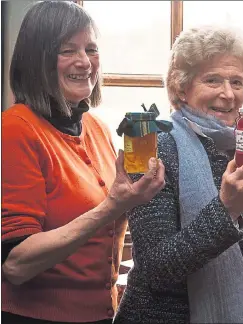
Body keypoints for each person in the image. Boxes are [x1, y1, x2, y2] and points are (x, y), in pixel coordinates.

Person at [1, 2, 165, 323]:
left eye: (91, 49)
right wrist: (113, 206)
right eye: (67, 50)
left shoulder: (98, 128)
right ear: (38, 62)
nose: (84, 62)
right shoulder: (15, 130)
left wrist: (144, 193)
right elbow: (15, 265)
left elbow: (112, 217)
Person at [114, 25, 243, 324]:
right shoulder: (152, 147)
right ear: (182, 87)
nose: (228, 94)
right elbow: (156, 269)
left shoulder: (240, 147)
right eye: (212, 80)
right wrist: (227, 209)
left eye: (237, 81)